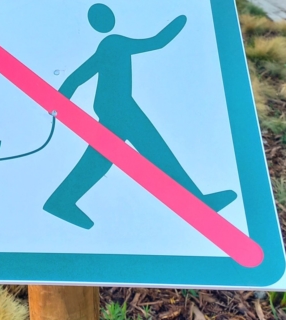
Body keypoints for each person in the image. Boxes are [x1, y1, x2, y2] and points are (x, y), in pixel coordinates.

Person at [44, 3, 237, 229]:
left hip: (114, 105)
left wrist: (58, 102)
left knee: (101, 159)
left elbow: (78, 77)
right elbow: (156, 42)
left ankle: (62, 201)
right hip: (118, 107)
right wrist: (181, 21)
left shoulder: (109, 44)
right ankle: (198, 203)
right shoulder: (115, 42)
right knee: (155, 151)